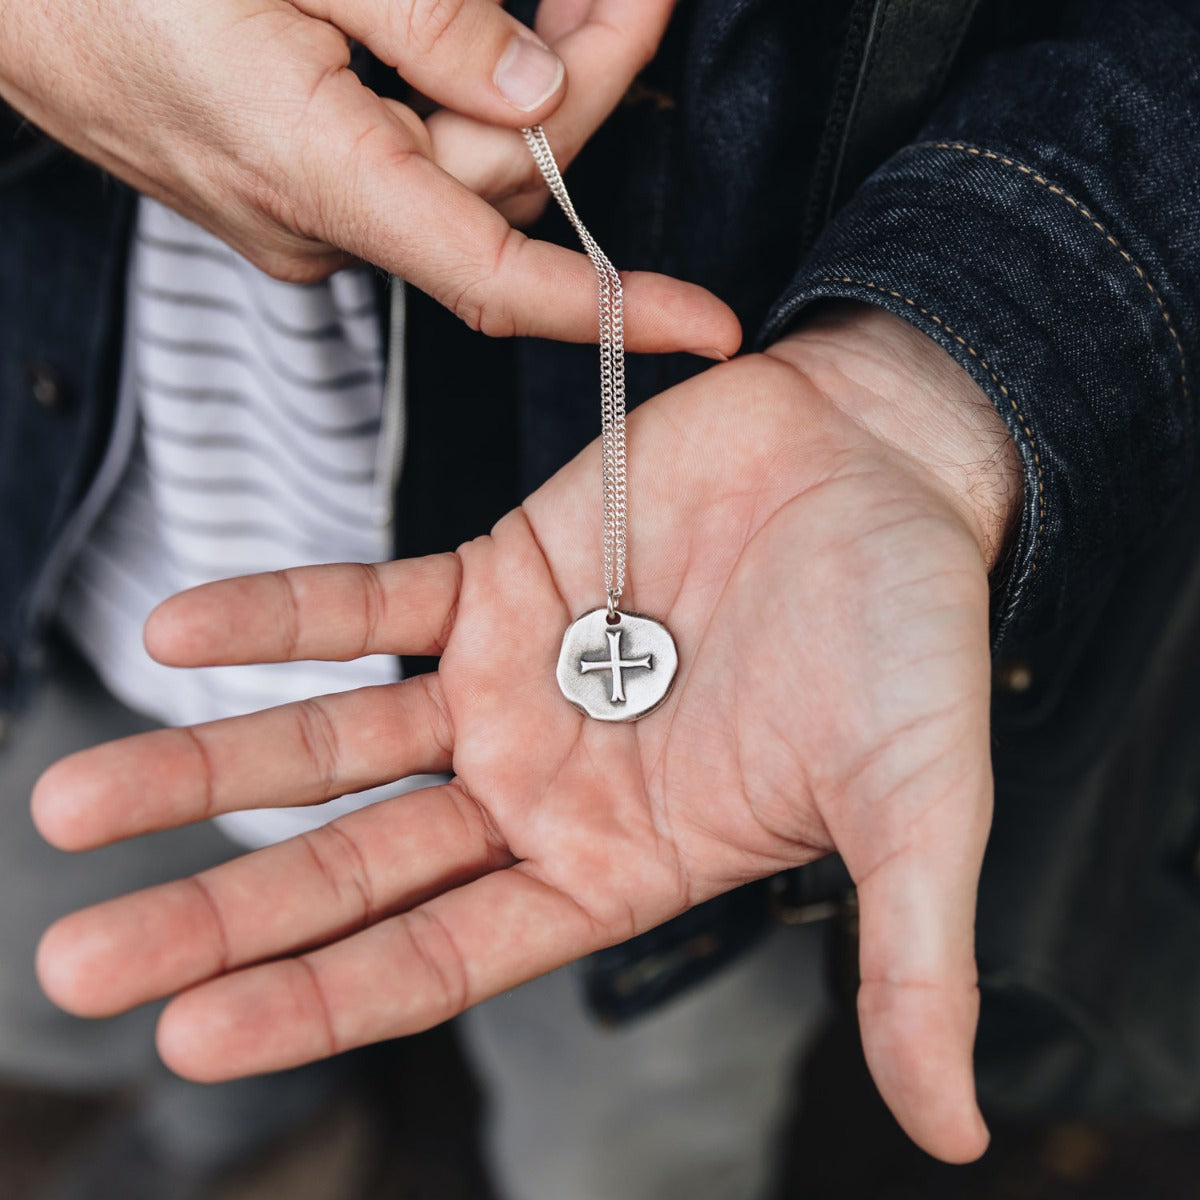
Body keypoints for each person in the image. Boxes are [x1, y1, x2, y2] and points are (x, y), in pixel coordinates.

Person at [4, 0, 1200, 1197]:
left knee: (628, 1136)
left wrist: (946, 363)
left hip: (699, 714)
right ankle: (241, 1144)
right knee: (117, 994)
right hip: (89, 561)